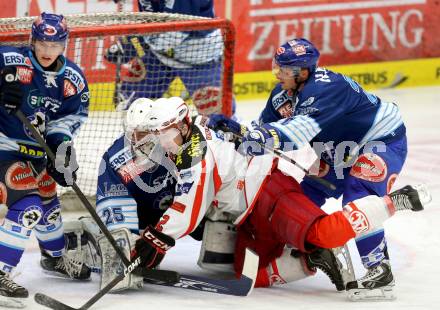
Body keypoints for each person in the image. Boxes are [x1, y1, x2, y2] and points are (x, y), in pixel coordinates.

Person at [121, 97, 427, 295]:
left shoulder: (195, 152)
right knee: (247, 274)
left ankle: (394, 202)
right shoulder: (189, 134)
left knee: (326, 233)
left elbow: (188, 205)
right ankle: (312, 258)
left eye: (164, 133)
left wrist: (158, 238)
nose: (161, 141)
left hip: (270, 191)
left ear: (182, 124)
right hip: (248, 212)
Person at [208, 38, 414, 299]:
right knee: (299, 201)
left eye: (284, 70)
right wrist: (237, 132)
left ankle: (379, 269)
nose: (277, 74)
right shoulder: (282, 95)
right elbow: (262, 131)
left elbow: (296, 133)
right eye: (276, 66)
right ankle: (312, 252)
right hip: (339, 152)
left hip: (380, 140)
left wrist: (258, 136)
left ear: (303, 72)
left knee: (358, 194)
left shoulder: (328, 88)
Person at [0, 12, 91, 307]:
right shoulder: (10, 61)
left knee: (49, 202)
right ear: (32, 40)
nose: (47, 51)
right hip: (5, 145)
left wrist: (62, 148)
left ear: (64, 45)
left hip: (38, 153)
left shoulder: (72, 80)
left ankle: (54, 258)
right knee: (28, 207)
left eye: (54, 45)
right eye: (42, 43)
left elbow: (66, 121)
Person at [106, 0, 226, 115]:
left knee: (220, 121)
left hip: (199, 58)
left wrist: (134, 44)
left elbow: (176, 33)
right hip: (159, 56)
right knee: (133, 109)